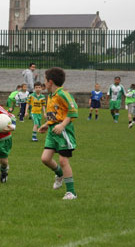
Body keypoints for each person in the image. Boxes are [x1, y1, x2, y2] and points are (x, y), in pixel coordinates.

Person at [38, 67, 79, 200]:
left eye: (45, 80)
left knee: (63, 160)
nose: (43, 83)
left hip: (63, 131)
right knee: (45, 159)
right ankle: (59, 174)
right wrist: (46, 124)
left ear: (50, 82)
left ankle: (71, 192)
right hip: (52, 130)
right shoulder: (50, 96)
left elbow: (73, 111)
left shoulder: (62, 94)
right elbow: (56, 114)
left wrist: (62, 125)